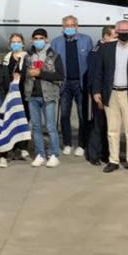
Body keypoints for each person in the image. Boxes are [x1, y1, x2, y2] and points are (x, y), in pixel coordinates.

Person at [91, 20, 128, 175]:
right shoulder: (106, 48)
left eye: (127, 30)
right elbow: (99, 72)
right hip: (111, 94)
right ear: (116, 31)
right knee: (113, 130)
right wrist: (97, 92)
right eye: (121, 30)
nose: (124, 33)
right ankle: (113, 160)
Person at [50, 15, 93, 157]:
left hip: (81, 83)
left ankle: (82, 144)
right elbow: (52, 64)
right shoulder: (56, 42)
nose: (69, 28)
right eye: (66, 25)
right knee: (64, 115)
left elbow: (91, 62)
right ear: (62, 27)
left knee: (82, 115)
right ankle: (67, 143)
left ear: (77, 26)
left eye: (72, 25)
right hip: (65, 83)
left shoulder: (86, 40)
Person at [25, 28, 63, 167]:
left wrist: (40, 73)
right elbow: (24, 74)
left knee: (51, 127)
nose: (38, 40)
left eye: (41, 38)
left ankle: (54, 154)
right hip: (32, 95)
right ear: (32, 40)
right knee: (35, 127)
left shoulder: (54, 55)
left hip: (48, 95)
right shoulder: (28, 56)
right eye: (36, 38)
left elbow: (60, 76)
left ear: (46, 39)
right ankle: (40, 154)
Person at [84, 26, 117, 165]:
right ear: (106, 36)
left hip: (112, 92)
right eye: (115, 36)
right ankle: (94, 155)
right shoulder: (96, 52)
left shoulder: (109, 49)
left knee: (110, 125)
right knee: (99, 125)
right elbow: (93, 75)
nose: (117, 39)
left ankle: (106, 153)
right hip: (101, 94)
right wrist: (96, 94)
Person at [4, 32, 31, 161]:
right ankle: (12, 147)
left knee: (24, 119)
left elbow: (30, 74)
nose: (16, 44)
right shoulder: (7, 57)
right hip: (10, 94)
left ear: (23, 43)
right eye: (13, 42)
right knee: (11, 120)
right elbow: (4, 73)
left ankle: (23, 147)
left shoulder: (27, 57)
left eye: (18, 42)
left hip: (23, 93)